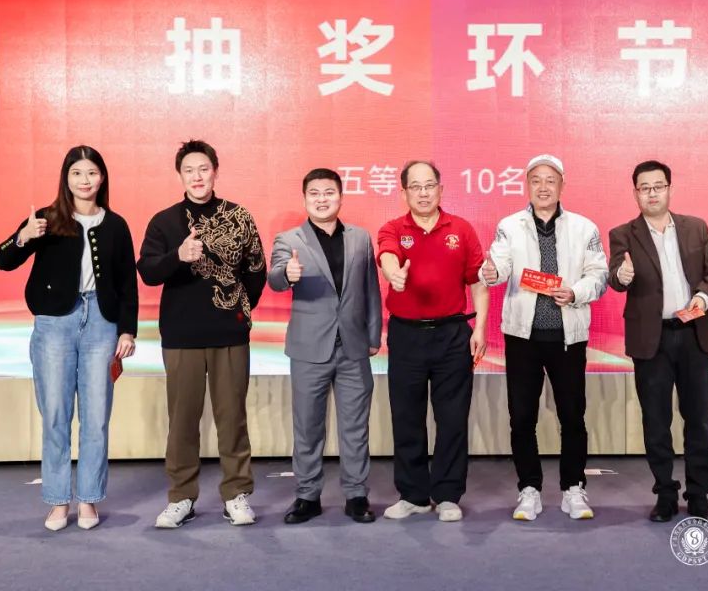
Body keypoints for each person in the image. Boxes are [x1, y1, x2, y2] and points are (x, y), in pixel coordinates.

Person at [0, 145, 138, 531]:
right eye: (77, 173)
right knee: (56, 414)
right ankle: (58, 501)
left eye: (91, 173)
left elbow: (127, 282)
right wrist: (23, 237)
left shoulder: (116, 225)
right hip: (54, 324)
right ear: (66, 178)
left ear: (102, 178)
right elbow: (2, 260)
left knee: (96, 416)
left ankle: (88, 499)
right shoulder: (47, 219)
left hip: (101, 323)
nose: (84, 180)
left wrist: (127, 329)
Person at [137, 140, 267, 528]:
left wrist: (239, 310)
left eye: (204, 169)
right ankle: (181, 497)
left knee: (232, 418)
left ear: (215, 172)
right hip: (181, 336)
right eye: (189, 170)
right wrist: (178, 257)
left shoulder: (238, 216)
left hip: (230, 334)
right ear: (180, 175)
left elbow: (256, 270)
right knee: (182, 422)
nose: (197, 176)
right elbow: (147, 271)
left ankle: (236, 494)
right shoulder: (165, 222)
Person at [479, 154, 607, 521]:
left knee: (572, 416)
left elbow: (598, 274)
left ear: (562, 185)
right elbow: (500, 266)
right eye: (536, 180)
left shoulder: (584, 227)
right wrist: (491, 272)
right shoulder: (510, 226)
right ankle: (529, 488)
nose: (543, 187)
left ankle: (573, 488)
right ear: (527, 185)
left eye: (550, 180)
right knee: (522, 416)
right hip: (523, 337)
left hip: (568, 337)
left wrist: (576, 292)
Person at [607, 160, 708, 523]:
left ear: (670, 189)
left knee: (698, 418)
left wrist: (702, 298)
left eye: (658, 186)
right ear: (635, 193)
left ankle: (699, 494)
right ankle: (665, 493)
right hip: (650, 339)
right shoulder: (623, 234)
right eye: (645, 188)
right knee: (656, 420)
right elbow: (615, 277)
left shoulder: (695, 227)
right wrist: (623, 275)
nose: (652, 193)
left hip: (692, 333)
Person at [268, 168, 383, 524]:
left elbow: (370, 289)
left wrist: (373, 336)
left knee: (355, 426)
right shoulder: (289, 239)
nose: (322, 199)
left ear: (340, 197)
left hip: (353, 347)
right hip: (309, 349)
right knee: (308, 426)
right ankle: (307, 495)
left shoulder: (360, 238)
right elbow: (274, 277)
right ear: (305, 199)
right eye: (314, 193)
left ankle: (356, 495)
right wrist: (287, 275)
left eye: (329, 192)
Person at [376, 160, 488, 522]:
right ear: (404, 192)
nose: (423, 193)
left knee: (452, 418)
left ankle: (448, 494)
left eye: (429, 186)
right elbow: (387, 254)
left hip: (452, 335)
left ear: (441, 189)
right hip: (407, 334)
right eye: (415, 187)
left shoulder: (462, 229)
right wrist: (394, 274)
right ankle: (413, 495)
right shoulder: (394, 228)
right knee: (406, 416)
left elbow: (477, 282)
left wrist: (481, 328)